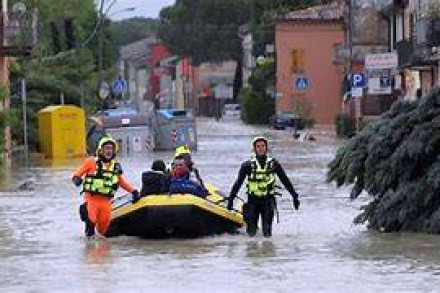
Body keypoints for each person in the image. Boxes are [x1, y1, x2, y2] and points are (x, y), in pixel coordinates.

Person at [227, 136, 300, 237]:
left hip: (268, 201)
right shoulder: (247, 165)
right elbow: (237, 184)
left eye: (263, 146)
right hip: (252, 201)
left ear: (266, 148)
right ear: (254, 149)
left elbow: (285, 180)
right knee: (251, 233)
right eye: (258, 146)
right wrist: (231, 200)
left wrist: (294, 196)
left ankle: (267, 250)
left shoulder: (274, 164)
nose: (260, 148)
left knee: (267, 233)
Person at [71, 136, 140, 237]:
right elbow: (77, 174)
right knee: (91, 223)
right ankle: (89, 248)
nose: (109, 151)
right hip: (91, 200)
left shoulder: (115, 166)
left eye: (111, 149)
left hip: (106, 202)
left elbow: (121, 182)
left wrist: (133, 191)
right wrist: (76, 179)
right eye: (106, 148)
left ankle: (103, 249)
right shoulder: (91, 162)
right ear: (101, 150)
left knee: (103, 231)